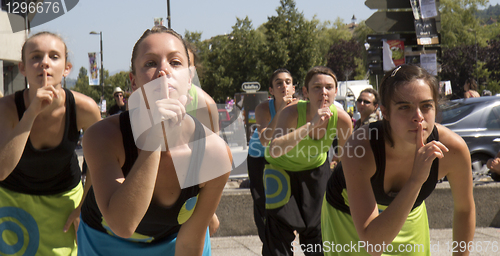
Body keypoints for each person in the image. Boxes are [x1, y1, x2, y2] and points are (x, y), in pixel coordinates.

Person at [78, 26, 232, 256]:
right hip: (104, 240)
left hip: (174, 239)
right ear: (134, 83)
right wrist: (154, 138)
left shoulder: (214, 153)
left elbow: (189, 246)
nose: (163, 71)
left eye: (176, 62)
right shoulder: (103, 136)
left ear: (190, 79)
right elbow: (122, 224)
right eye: (150, 63)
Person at [322, 65, 475, 255]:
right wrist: (416, 180)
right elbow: (373, 244)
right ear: (385, 112)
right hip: (348, 217)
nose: (418, 117)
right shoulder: (360, 147)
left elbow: (464, 210)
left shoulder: (454, 149)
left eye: (426, 106)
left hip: (409, 213)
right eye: (404, 107)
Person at [0, 31, 101, 255]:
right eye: (35, 57)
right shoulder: (6, 108)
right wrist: (31, 113)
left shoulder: (85, 109)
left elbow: (100, 165)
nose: (44, 63)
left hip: (65, 204)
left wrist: (85, 207)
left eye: (54, 57)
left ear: (67, 68)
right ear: (23, 68)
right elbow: (2, 170)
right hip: (12, 201)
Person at [263, 66, 353, 256]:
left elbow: (345, 157)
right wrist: (311, 125)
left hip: (315, 170)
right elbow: (274, 148)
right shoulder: (291, 113)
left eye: (329, 87)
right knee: (278, 236)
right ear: (305, 92)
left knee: (318, 235)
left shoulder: (342, 120)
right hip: (280, 170)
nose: (323, 92)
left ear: (336, 91)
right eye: (317, 87)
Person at [247, 68, 296, 243]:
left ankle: (284, 238)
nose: (284, 86)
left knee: (284, 199)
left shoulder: (299, 106)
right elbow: (264, 140)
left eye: (288, 82)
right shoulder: (262, 108)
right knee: (262, 201)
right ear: (271, 90)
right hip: (259, 156)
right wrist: (282, 109)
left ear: (294, 88)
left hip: (282, 156)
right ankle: (268, 241)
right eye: (279, 83)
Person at [185, 41, 221, 236]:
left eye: (184, 64)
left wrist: (210, 210)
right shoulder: (142, 102)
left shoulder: (205, 105)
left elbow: (213, 161)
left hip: (191, 194)